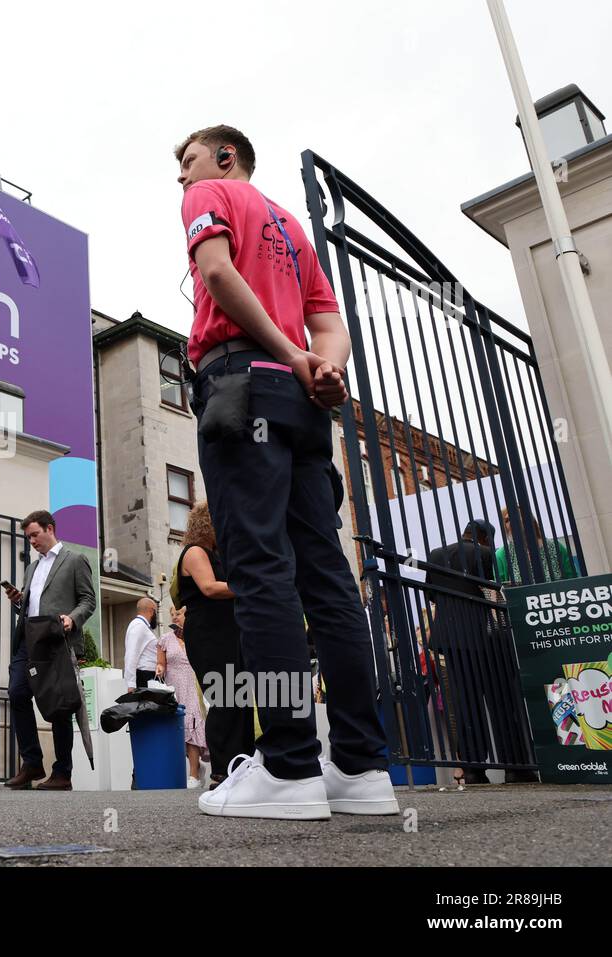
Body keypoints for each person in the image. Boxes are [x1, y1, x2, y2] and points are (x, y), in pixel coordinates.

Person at [177, 125, 396, 818]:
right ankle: (360, 767)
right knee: (326, 575)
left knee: (261, 566)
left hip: (243, 385)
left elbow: (214, 272)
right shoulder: (293, 227)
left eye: (186, 161)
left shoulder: (213, 193)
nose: (180, 178)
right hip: (300, 406)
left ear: (223, 156)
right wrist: (318, 364)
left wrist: (288, 355)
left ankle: (291, 766)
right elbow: (330, 325)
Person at [1, 510, 97, 791]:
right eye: (28, 537)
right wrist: (19, 600)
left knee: (59, 706)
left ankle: (62, 773)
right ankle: (32, 763)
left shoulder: (75, 560)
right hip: (28, 639)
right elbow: (33, 605)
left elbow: (88, 600)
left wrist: (73, 618)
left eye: (34, 534)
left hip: (56, 640)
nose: (31, 541)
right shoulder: (32, 568)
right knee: (17, 692)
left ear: (50, 529)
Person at [170, 502, 255, 788]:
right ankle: (222, 771)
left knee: (239, 699)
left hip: (227, 631)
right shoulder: (195, 552)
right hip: (208, 633)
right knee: (224, 697)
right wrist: (252, 586)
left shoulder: (216, 554)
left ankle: (242, 764)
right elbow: (208, 587)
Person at [426, 519, 499, 786]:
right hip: (480, 636)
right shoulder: (485, 554)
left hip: (448, 636)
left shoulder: (436, 554)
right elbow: (493, 592)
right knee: (494, 699)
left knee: (463, 701)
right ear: (484, 538)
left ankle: (472, 767)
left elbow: (432, 595)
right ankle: (510, 762)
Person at [157, 605, 207, 789]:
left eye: (178, 614)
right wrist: (159, 669)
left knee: (191, 727)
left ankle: (193, 774)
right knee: (180, 732)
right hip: (175, 689)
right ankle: (197, 768)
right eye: (172, 615)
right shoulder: (165, 639)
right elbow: (160, 664)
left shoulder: (198, 636)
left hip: (194, 688)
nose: (174, 617)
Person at [495, 504, 579, 586]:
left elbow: (573, 581)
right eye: (507, 520)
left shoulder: (555, 547)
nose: (511, 522)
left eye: (516, 516)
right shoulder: (502, 555)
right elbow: (499, 591)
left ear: (529, 519)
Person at [123, 598, 159, 692]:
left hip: (149, 677)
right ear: (151, 611)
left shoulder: (142, 626)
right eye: (156, 612)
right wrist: (131, 684)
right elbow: (131, 654)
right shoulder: (139, 626)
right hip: (144, 677)